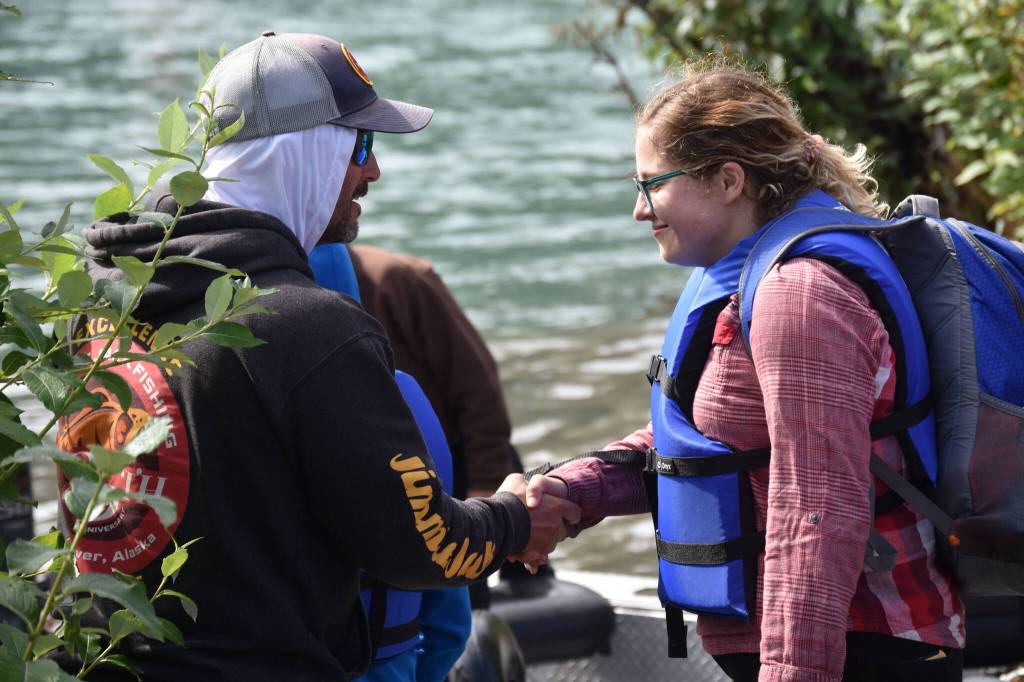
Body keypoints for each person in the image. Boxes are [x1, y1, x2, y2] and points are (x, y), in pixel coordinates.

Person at [55, 32, 577, 681]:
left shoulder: (101, 301)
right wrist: (515, 521)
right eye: (361, 145)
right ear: (301, 152)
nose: (373, 172)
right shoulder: (312, 329)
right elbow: (418, 546)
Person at [519, 59, 966, 681]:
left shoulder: (800, 294)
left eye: (652, 184)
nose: (639, 210)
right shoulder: (748, 280)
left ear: (728, 180)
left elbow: (817, 509)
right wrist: (575, 489)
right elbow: (719, 448)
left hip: (864, 645)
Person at [347, 244, 520, 500]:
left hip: (464, 466)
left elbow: (478, 384)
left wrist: (486, 485)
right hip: (392, 483)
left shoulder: (397, 278)